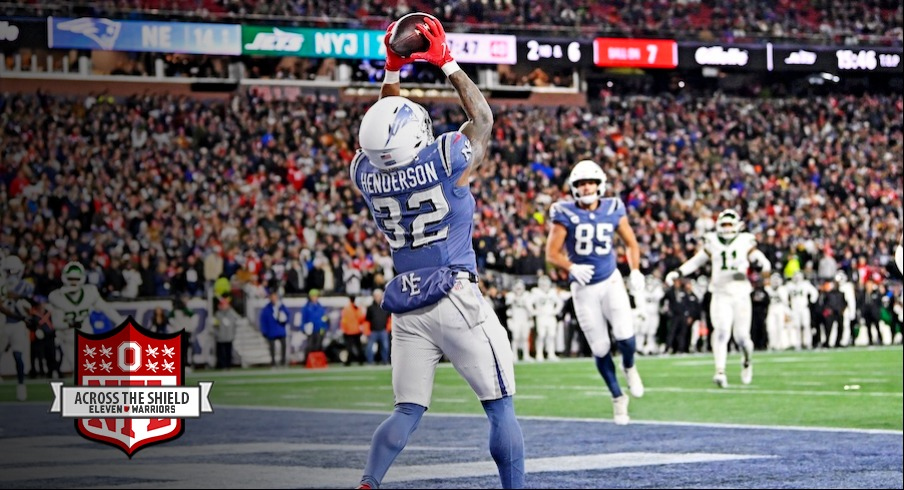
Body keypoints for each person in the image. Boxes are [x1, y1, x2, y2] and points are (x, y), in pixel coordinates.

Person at [350, 14, 524, 489]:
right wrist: (446, 62)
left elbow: (384, 128)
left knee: (406, 411)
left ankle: (369, 481)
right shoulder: (444, 158)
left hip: (408, 305)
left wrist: (392, 68)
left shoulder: (365, 173)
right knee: (500, 407)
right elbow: (482, 120)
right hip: (456, 295)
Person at [545, 159, 646, 425]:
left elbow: (631, 243)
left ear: (600, 184)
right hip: (583, 288)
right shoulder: (563, 211)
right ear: (573, 187)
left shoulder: (613, 207)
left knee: (626, 336)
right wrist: (571, 266)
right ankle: (618, 397)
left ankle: (629, 366)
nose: (586, 187)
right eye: (581, 183)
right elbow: (551, 253)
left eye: (590, 182)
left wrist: (635, 270)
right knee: (600, 348)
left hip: (610, 280)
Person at [665, 209, 772, 388]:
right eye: (724, 224)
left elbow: (760, 259)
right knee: (721, 331)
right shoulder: (712, 241)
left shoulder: (745, 240)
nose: (727, 228)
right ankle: (720, 371)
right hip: (720, 293)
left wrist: (764, 266)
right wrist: (678, 272)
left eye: (730, 224)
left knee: (742, 338)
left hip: (740, 294)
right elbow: (697, 261)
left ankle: (747, 360)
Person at [47, 261, 124, 374]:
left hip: (85, 333)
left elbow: (107, 309)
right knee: (77, 369)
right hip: (67, 337)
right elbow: (57, 324)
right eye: (71, 279)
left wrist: (120, 322)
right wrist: (70, 324)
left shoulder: (89, 292)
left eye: (76, 279)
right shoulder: (57, 297)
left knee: (92, 368)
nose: (73, 282)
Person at [0, 255, 34, 400]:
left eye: (13, 271)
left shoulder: (26, 285)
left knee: (18, 356)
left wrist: (21, 303)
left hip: (17, 325)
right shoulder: (2, 284)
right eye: (9, 271)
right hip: (3, 323)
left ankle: (21, 385)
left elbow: (31, 304)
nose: (11, 274)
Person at [529, 275, 563, 362]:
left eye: (546, 284)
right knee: (541, 335)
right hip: (541, 317)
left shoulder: (552, 292)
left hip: (551, 316)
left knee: (552, 335)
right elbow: (528, 303)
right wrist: (534, 312)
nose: (544, 285)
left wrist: (555, 311)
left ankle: (551, 353)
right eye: (543, 284)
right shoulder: (536, 292)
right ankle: (539, 354)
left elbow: (560, 302)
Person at [785, 271, 819, 349]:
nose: (797, 278)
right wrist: (787, 304)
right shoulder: (790, 285)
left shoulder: (805, 284)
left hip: (804, 308)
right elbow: (784, 293)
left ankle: (808, 343)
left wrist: (812, 301)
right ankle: (798, 343)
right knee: (796, 326)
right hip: (794, 309)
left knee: (806, 325)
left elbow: (814, 292)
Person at [505, 280, 534, 362]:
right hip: (515, 320)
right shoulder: (510, 296)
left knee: (525, 338)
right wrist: (509, 321)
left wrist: (530, 320)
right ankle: (514, 355)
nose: (519, 290)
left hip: (524, 319)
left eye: (520, 288)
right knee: (515, 338)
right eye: (517, 288)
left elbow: (530, 310)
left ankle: (526, 355)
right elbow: (508, 310)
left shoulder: (527, 296)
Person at [260, 290, 290, 366]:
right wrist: (264, 331)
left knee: (283, 346)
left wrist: (283, 314)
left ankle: (283, 361)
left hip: (280, 329)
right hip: (271, 330)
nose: (274, 299)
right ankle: (273, 361)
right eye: (272, 297)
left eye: (275, 297)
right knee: (272, 347)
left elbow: (287, 316)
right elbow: (263, 320)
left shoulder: (281, 307)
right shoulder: (267, 308)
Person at [364, 288, 391, 365]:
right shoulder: (370, 308)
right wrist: (367, 331)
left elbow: (389, 318)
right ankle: (370, 362)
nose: (377, 297)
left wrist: (388, 329)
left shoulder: (385, 306)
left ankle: (385, 361)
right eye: (375, 296)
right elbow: (367, 320)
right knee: (369, 347)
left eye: (378, 296)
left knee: (385, 347)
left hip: (383, 331)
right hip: (373, 331)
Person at [301, 288, 329, 360]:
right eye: (313, 296)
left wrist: (324, 327)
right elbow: (303, 319)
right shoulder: (306, 307)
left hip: (319, 329)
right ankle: (307, 361)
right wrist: (303, 328)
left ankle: (318, 361)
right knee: (310, 346)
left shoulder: (320, 307)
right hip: (310, 330)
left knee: (318, 346)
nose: (315, 298)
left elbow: (324, 318)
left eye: (316, 296)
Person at [212, 297, 239, 370]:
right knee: (221, 353)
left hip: (229, 336)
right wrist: (217, 334)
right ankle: (221, 365)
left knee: (228, 352)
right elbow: (215, 326)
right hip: (220, 337)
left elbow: (236, 320)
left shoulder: (231, 313)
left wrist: (233, 334)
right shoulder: (218, 314)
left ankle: (228, 365)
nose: (225, 306)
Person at [339, 295, 365, 366]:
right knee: (358, 347)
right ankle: (361, 361)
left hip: (348, 332)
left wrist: (344, 329)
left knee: (349, 348)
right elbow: (361, 318)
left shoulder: (346, 308)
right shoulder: (357, 308)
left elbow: (343, 320)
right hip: (356, 331)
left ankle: (349, 361)